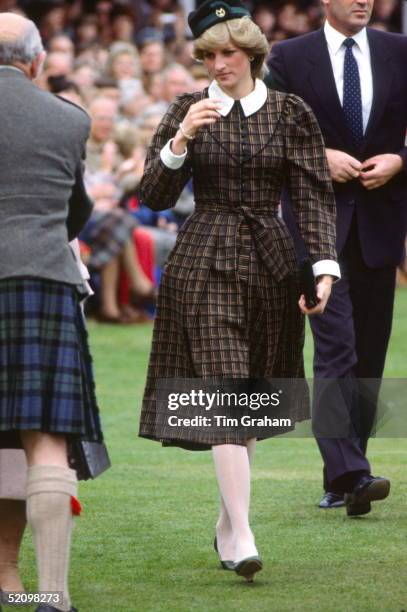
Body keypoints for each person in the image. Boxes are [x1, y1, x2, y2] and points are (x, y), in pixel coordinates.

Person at [138, 0, 339, 582]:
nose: (218, 64)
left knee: (248, 403)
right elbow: (151, 195)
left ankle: (230, 526)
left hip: (271, 261)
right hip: (203, 258)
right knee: (226, 392)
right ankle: (246, 532)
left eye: (227, 53)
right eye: (207, 55)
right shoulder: (187, 107)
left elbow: (312, 196)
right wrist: (180, 142)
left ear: (252, 53)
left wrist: (322, 266)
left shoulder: (290, 112)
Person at [267, 0, 407, 515]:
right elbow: (270, 132)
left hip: (380, 226)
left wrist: (400, 160)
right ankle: (351, 472)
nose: (363, 0)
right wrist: (317, 155)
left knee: (368, 357)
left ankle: (347, 477)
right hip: (315, 223)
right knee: (336, 346)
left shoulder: (400, 51)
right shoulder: (288, 55)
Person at [0, 13, 105, 612]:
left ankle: (11, 585)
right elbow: (77, 209)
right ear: (37, 61)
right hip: (41, 280)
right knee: (42, 444)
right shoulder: (69, 119)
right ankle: (50, 596)